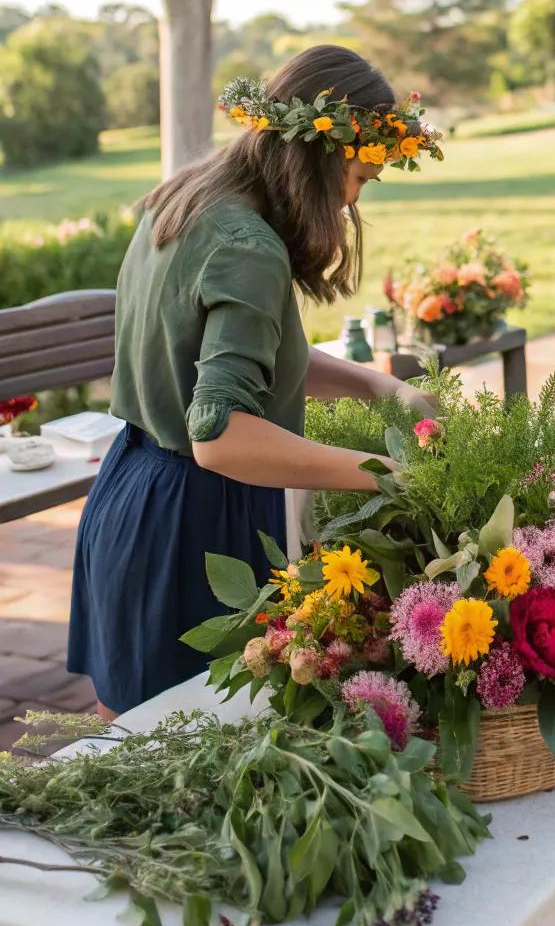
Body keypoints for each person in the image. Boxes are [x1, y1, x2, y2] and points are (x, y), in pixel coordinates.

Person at [68, 45, 441, 717]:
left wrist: (378, 387)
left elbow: (242, 361)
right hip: (196, 524)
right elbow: (221, 438)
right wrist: (388, 471)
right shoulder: (248, 247)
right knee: (194, 747)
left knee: (137, 738)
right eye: (359, 177)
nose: (356, 198)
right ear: (322, 155)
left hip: (130, 493)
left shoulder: (190, 196)